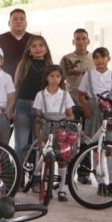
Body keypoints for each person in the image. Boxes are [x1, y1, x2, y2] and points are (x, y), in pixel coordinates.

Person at [77, 47, 112, 191]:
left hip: (111, 112)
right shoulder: (88, 75)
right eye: (96, 58)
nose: (99, 60)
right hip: (94, 112)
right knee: (95, 148)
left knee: (111, 147)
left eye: (103, 57)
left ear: (108, 59)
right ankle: (100, 182)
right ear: (93, 60)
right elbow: (80, 95)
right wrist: (86, 108)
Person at [32, 65, 74, 201]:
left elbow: (70, 113)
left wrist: (69, 117)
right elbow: (38, 117)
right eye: (52, 76)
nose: (55, 79)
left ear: (61, 78)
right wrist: (39, 138)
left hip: (61, 130)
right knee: (48, 160)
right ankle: (47, 187)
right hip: (46, 128)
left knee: (62, 159)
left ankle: (62, 189)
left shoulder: (65, 95)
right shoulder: (40, 95)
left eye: (58, 76)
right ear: (47, 77)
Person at [12, 35, 53, 166]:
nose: (38, 48)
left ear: (46, 49)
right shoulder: (24, 64)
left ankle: (37, 176)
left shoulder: (50, 66)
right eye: (34, 46)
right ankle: (18, 175)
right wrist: (12, 107)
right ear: (29, 50)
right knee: (21, 145)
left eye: (41, 45)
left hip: (41, 109)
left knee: (39, 144)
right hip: (23, 106)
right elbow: (16, 86)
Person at [60, 28, 93, 120]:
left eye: (84, 38)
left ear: (88, 41)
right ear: (73, 42)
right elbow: (59, 81)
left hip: (91, 101)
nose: (81, 42)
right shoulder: (66, 59)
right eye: (77, 39)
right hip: (72, 101)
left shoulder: (95, 58)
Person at [0, 9, 35, 79]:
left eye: (22, 19)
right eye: (15, 19)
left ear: (26, 23)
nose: (18, 21)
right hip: (4, 82)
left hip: (32, 80)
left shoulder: (35, 40)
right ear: (9, 23)